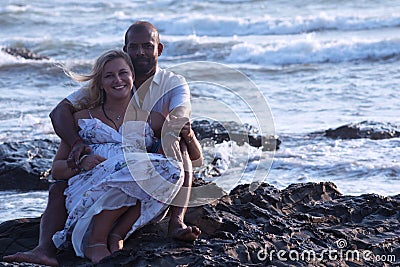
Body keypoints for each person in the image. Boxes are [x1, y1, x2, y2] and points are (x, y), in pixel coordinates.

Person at [4, 21, 202, 266]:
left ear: (158, 50)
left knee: (166, 160)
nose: (140, 52)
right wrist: (79, 150)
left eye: (147, 46)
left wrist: (180, 136)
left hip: (140, 169)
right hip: (95, 176)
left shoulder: (169, 90)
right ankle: (52, 248)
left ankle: (169, 222)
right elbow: (59, 116)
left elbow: (186, 139)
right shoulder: (86, 116)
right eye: (134, 47)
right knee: (62, 185)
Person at [49, 49, 194, 263]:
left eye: (123, 73)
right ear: (99, 83)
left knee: (168, 169)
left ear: (132, 77)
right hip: (91, 187)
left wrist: (187, 133)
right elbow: (56, 169)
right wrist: (82, 163)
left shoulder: (151, 119)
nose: (118, 80)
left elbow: (190, 151)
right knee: (135, 168)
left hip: (133, 192)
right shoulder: (82, 119)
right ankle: (96, 242)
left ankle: (117, 235)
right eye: (109, 76)